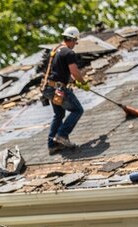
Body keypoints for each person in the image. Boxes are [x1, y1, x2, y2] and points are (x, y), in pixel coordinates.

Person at [41, 26, 87, 155]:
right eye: (75, 41)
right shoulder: (69, 52)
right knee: (77, 110)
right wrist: (83, 82)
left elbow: (59, 71)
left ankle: (52, 145)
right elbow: (74, 71)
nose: (75, 44)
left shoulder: (55, 50)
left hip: (48, 87)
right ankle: (62, 135)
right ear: (72, 39)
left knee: (59, 114)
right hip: (58, 88)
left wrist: (73, 81)